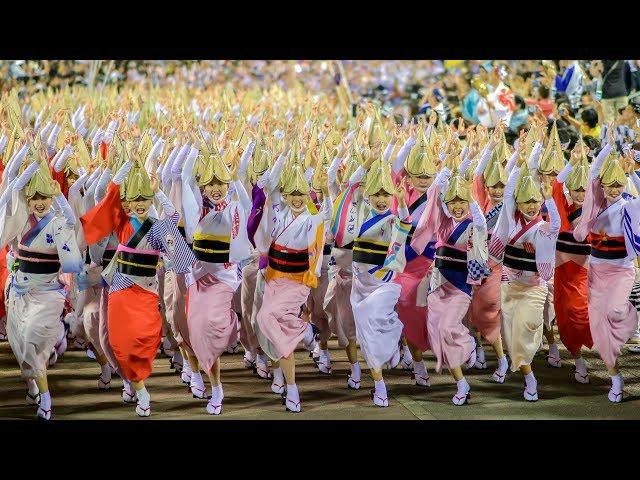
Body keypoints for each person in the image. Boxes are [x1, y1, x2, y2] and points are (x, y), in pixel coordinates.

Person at [80, 155, 195, 417]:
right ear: (128, 203)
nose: (141, 204)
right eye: (136, 200)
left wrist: (158, 192)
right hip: (121, 287)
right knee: (120, 341)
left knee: (145, 338)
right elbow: (110, 193)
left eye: (145, 200)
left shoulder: (156, 226)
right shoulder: (120, 221)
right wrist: (126, 167)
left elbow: (173, 215)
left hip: (146, 289)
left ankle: (136, 382)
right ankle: (141, 391)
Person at [1, 156, 83, 420]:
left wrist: (58, 195)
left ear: (50, 198)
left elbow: (71, 220)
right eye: (34, 197)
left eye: (44, 197)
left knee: (33, 338)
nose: (39, 202)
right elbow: (12, 188)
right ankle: (33, 385)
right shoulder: (22, 222)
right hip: (21, 292)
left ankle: (46, 399)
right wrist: (33, 162)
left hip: (48, 294)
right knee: (21, 345)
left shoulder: (58, 223)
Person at [407, 160, 490, 405]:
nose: (456, 206)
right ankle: (461, 383)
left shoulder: (475, 224)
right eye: (452, 202)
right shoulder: (442, 221)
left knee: (446, 329)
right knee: (437, 334)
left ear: (467, 202)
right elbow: (436, 189)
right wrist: (446, 167)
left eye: (460, 202)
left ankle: (469, 344)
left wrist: (467, 192)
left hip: (460, 287)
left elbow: (479, 218)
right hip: (438, 283)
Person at [180, 141, 252, 414]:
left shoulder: (234, 207)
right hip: (198, 278)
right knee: (198, 331)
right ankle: (216, 386)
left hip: (222, 277)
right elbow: (184, 178)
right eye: (210, 183)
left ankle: (231, 326)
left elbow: (248, 203)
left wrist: (236, 176)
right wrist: (193, 150)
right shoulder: (198, 207)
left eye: (220, 183)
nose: (215, 188)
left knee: (211, 324)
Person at [254, 155, 330, 412]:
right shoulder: (277, 213)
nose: (297, 199)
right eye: (292, 194)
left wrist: (327, 191)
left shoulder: (311, 218)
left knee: (267, 316)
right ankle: (293, 388)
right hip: (275, 278)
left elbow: (326, 214)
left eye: (302, 194)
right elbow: (267, 183)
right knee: (274, 331)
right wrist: (284, 156)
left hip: (298, 283)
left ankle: (306, 333)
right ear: (285, 195)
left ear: (307, 195)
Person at [489, 141, 560, 401]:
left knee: (528, 325)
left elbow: (557, 226)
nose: (531, 205)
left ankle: (529, 374)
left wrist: (550, 198)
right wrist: (520, 157)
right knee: (511, 336)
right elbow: (508, 192)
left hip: (534, 286)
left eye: (535, 201)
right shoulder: (510, 220)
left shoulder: (543, 227)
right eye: (526, 201)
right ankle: (529, 376)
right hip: (509, 284)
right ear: (518, 203)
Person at [573, 139, 639, 402]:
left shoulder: (631, 205)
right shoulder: (596, 205)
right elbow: (591, 173)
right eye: (609, 184)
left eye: (618, 184)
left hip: (622, 270)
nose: (613, 188)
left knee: (614, 311)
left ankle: (629, 324)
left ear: (624, 185)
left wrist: (633, 171)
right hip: (597, 270)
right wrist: (606, 149)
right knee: (599, 329)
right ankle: (615, 376)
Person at [600, 60, 628, 124]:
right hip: (621, 92)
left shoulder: (601, 62)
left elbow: (598, 79)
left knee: (609, 121)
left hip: (607, 94)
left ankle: (613, 134)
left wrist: (598, 96)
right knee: (623, 119)